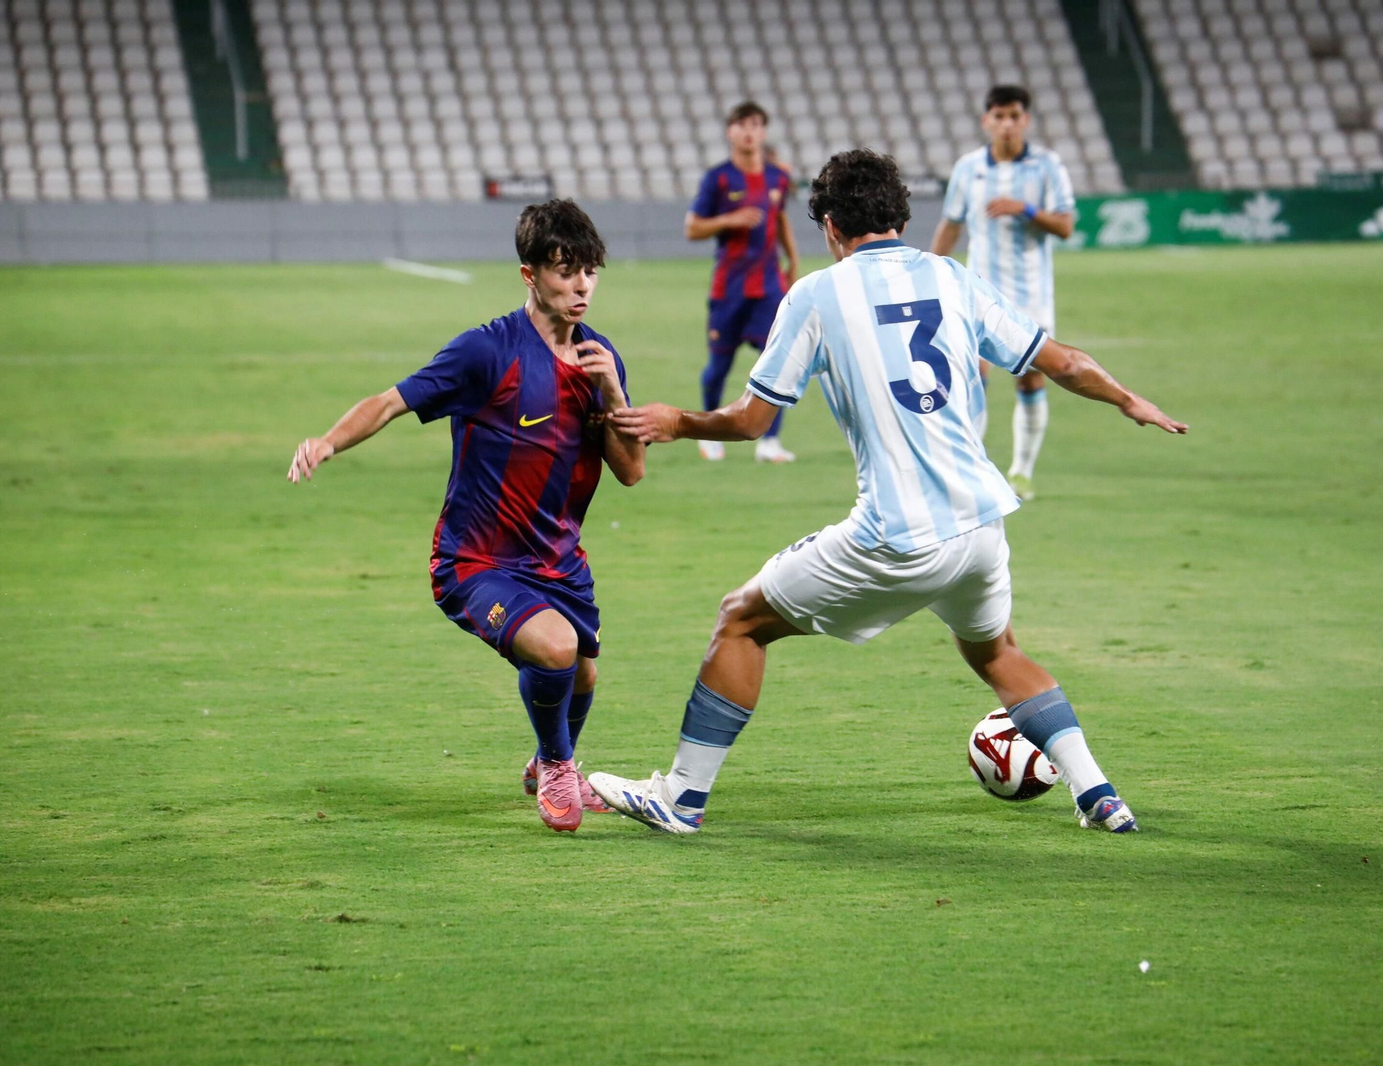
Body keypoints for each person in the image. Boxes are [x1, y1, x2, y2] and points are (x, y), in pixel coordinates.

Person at [590, 150, 1185, 835]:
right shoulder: (953, 279)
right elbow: (1067, 362)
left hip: (900, 537)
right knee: (995, 652)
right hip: (982, 528)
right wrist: (1129, 400)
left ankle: (680, 797)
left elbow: (752, 420)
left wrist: (676, 421)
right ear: (901, 216)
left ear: (833, 226)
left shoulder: (817, 293)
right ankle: (1100, 795)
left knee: (741, 619)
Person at [285, 200, 645, 834]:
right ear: (529, 276)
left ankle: (543, 760)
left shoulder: (600, 359)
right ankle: (561, 768)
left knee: (582, 669)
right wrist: (327, 442)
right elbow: (391, 401)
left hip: (557, 559)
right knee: (558, 648)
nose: (582, 286)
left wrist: (613, 394)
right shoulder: (488, 351)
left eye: (590, 271)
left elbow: (631, 470)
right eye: (565, 272)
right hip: (475, 561)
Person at [930, 85, 1076, 502]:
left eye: (1015, 115)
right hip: (979, 294)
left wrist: (1025, 209)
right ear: (986, 121)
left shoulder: (1047, 166)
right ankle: (971, 474)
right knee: (971, 379)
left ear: (1026, 120)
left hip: (1031, 296)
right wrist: (924, 271)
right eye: (999, 115)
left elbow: (1066, 225)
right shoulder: (968, 167)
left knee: (1030, 381)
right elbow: (952, 223)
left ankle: (1021, 472)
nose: (1007, 124)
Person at [686, 100, 802, 463]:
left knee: (778, 360)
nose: (749, 131)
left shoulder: (778, 178)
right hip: (729, 287)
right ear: (730, 132)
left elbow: (779, 217)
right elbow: (692, 227)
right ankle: (709, 434)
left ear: (763, 131)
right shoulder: (718, 178)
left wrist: (793, 258)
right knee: (718, 365)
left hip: (768, 287)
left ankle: (770, 442)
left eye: (756, 124)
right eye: (742, 124)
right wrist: (730, 220)